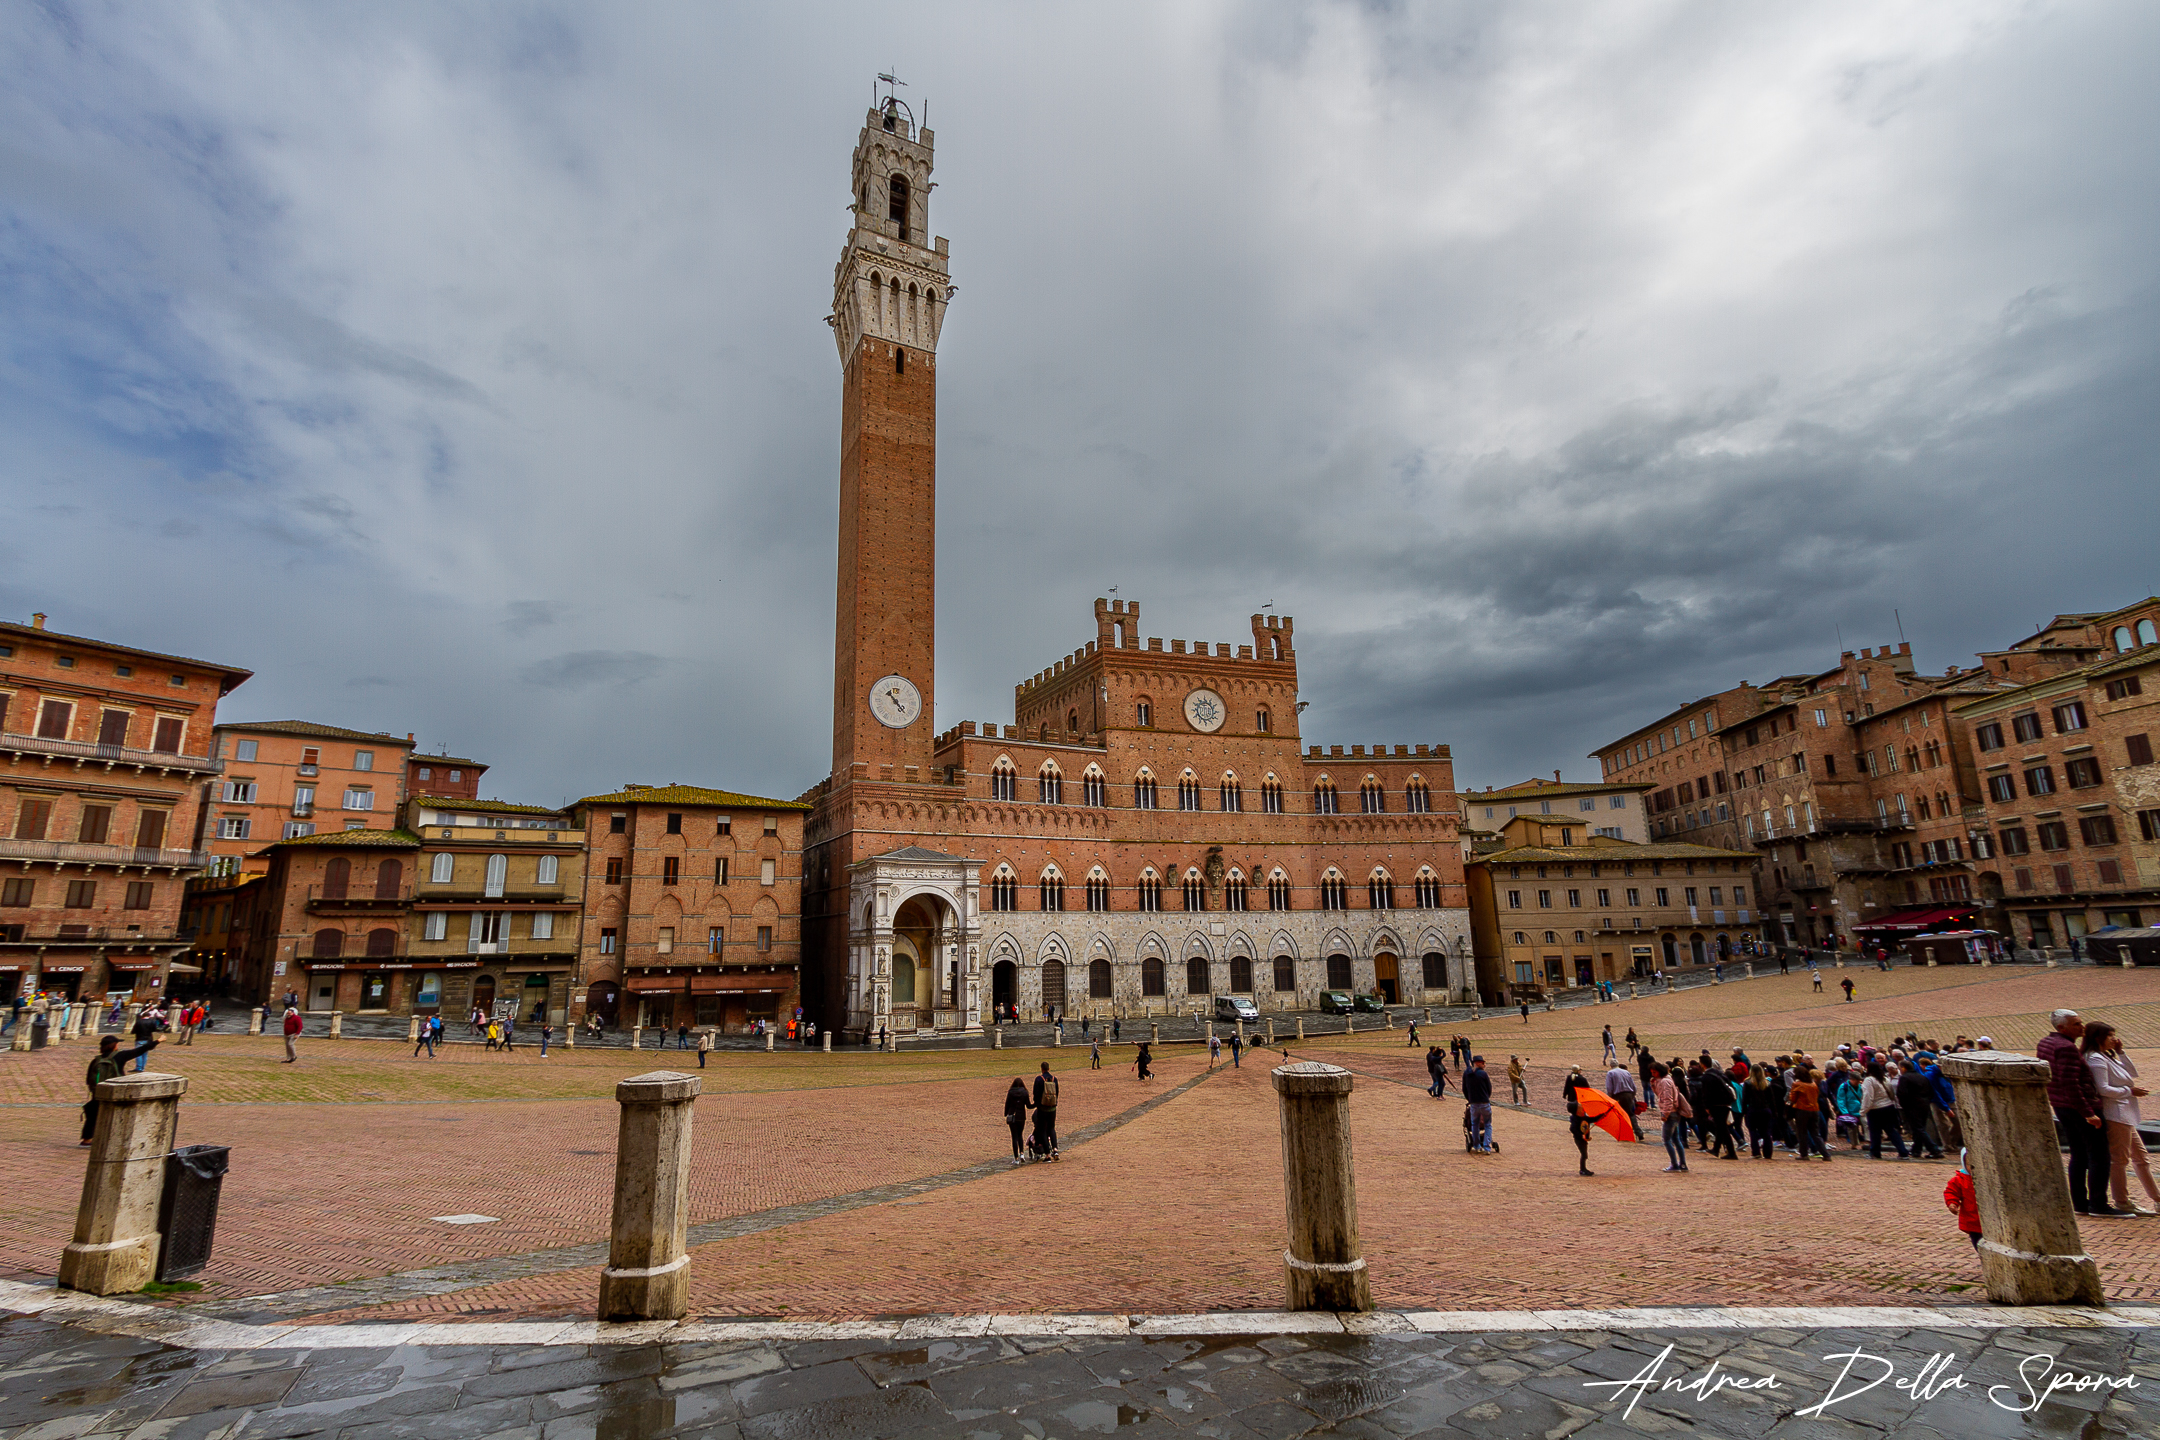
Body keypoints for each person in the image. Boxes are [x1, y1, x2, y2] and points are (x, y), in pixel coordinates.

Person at [2038, 1009, 2127, 1216]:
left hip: (2062, 1107)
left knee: (2078, 1155)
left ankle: (2079, 1203)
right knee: (2099, 1156)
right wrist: (2088, 1113)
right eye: (2076, 1024)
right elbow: (2071, 1084)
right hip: (2078, 1108)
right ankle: (2098, 1204)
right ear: (2062, 1027)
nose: (2082, 1027)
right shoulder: (2066, 1048)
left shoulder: (2046, 1043)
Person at [2083, 1020, 2159, 1217]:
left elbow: (2132, 1073)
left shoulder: (2106, 1056)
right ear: (2098, 1037)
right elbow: (2103, 1089)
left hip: (2125, 1115)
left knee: (2141, 1157)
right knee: (2120, 1159)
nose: (2114, 1039)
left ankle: (2157, 1199)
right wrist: (2129, 1091)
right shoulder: (2095, 1059)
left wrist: (2121, 1052)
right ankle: (2122, 1201)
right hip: (2115, 1115)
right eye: (2110, 1036)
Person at [81, 1033, 160, 1144]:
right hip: (115, 1089)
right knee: (118, 1114)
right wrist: (157, 1041)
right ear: (114, 1045)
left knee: (93, 1115)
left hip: (99, 1091)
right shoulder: (120, 1056)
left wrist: (94, 1089)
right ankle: (114, 1138)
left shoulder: (96, 1060)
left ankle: (87, 1139)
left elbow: (89, 1078)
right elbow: (139, 1050)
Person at [1896, 1056, 1945, 1159]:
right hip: (1924, 1105)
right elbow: (1931, 1092)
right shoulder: (1922, 1077)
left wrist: (1905, 1106)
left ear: (1904, 1068)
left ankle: (1934, 1149)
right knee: (1919, 1128)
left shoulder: (1904, 1078)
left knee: (1918, 1129)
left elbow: (1902, 1094)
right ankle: (1916, 1150)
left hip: (1912, 1106)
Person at [1860, 1060, 1908, 1160]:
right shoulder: (1885, 1079)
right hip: (1889, 1107)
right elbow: (1891, 1092)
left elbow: (1868, 1096)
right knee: (1891, 1130)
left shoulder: (1869, 1080)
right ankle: (1903, 1152)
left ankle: (1875, 1152)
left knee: (1875, 1132)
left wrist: (1863, 1110)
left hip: (1876, 1109)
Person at [1652, 1063, 1691, 1172]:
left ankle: (1675, 1164)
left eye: (1654, 1072)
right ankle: (1682, 1164)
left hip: (1671, 1114)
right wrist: (1654, 1086)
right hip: (1674, 1113)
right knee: (1676, 1139)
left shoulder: (1665, 1082)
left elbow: (1668, 1099)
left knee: (1666, 1140)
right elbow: (1661, 1096)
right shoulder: (1667, 1079)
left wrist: (1665, 1113)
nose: (1653, 1074)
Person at [1788, 1066, 1829, 1161]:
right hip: (1814, 1109)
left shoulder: (1797, 1084)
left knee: (1802, 1132)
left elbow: (1793, 1098)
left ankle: (1804, 1154)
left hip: (1802, 1110)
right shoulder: (1813, 1084)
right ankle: (1825, 1154)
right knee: (1815, 1133)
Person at [1944, 1150, 1983, 1251]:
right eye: (1970, 1165)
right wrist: (1952, 1203)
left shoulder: (1989, 1178)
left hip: (1992, 1220)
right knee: (1979, 1246)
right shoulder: (1960, 1179)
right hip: (1973, 1221)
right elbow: (1951, 1192)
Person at [1563, 1067, 1596, 1177]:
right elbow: (1573, 1128)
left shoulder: (1569, 1077)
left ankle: (1584, 1169)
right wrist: (1581, 1136)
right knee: (1584, 1154)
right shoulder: (1576, 1119)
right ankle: (1582, 1169)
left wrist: (1603, 1115)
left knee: (1585, 1154)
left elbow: (1591, 1119)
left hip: (1573, 1099)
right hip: (1579, 1098)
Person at [1604, 1057, 1644, 1143]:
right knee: (1631, 1114)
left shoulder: (1610, 1073)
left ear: (1610, 1065)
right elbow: (1633, 1086)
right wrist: (1632, 1095)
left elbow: (1609, 1088)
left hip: (1618, 1095)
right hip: (1629, 1094)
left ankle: (1625, 1133)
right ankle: (1638, 1132)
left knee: (1621, 1115)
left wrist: (1610, 1098)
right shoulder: (1626, 1072)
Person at [1463, 1056, 1494, 1153]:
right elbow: (1489, 1088)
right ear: (1478, 1063)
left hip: (1474, 1103)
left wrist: (1470, 1099)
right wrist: (1486, 1097)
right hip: (1484, 1102)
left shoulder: (1467, 1074)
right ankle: (1487, 1146)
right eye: (1483, 1063)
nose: (1484, 1065)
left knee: (1475, 1125)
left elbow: (1464, 1088)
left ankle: (1476, 1146)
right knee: (1487, 1125)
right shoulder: (1483, 1074)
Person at [1031, 1061, 1060, 1160]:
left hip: (1042, 1108)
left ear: (1042, 1069)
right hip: (1052, 1107)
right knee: (1051, 1128)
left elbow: (1036, 1094)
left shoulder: (1039, 1079)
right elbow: (1057, 1092)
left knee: (1043, 1129)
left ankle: (1047, 1154)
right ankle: (1055, 1149)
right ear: (1049, 1068)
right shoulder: (1054, 1079)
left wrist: (1036, 1104)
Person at [1003, 1076, 1032, 1165]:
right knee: (1020, 1135)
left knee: (1014, 1137)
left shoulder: (1011, 1092)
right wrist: (1036, 1104)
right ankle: (1022, 1154)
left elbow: (1007, 1103)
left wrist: (1006, 1113)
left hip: (1012, 1116)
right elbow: (1028, 1105)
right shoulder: (1024, 1092)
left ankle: (1016, 1158)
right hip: (1021, 1116)